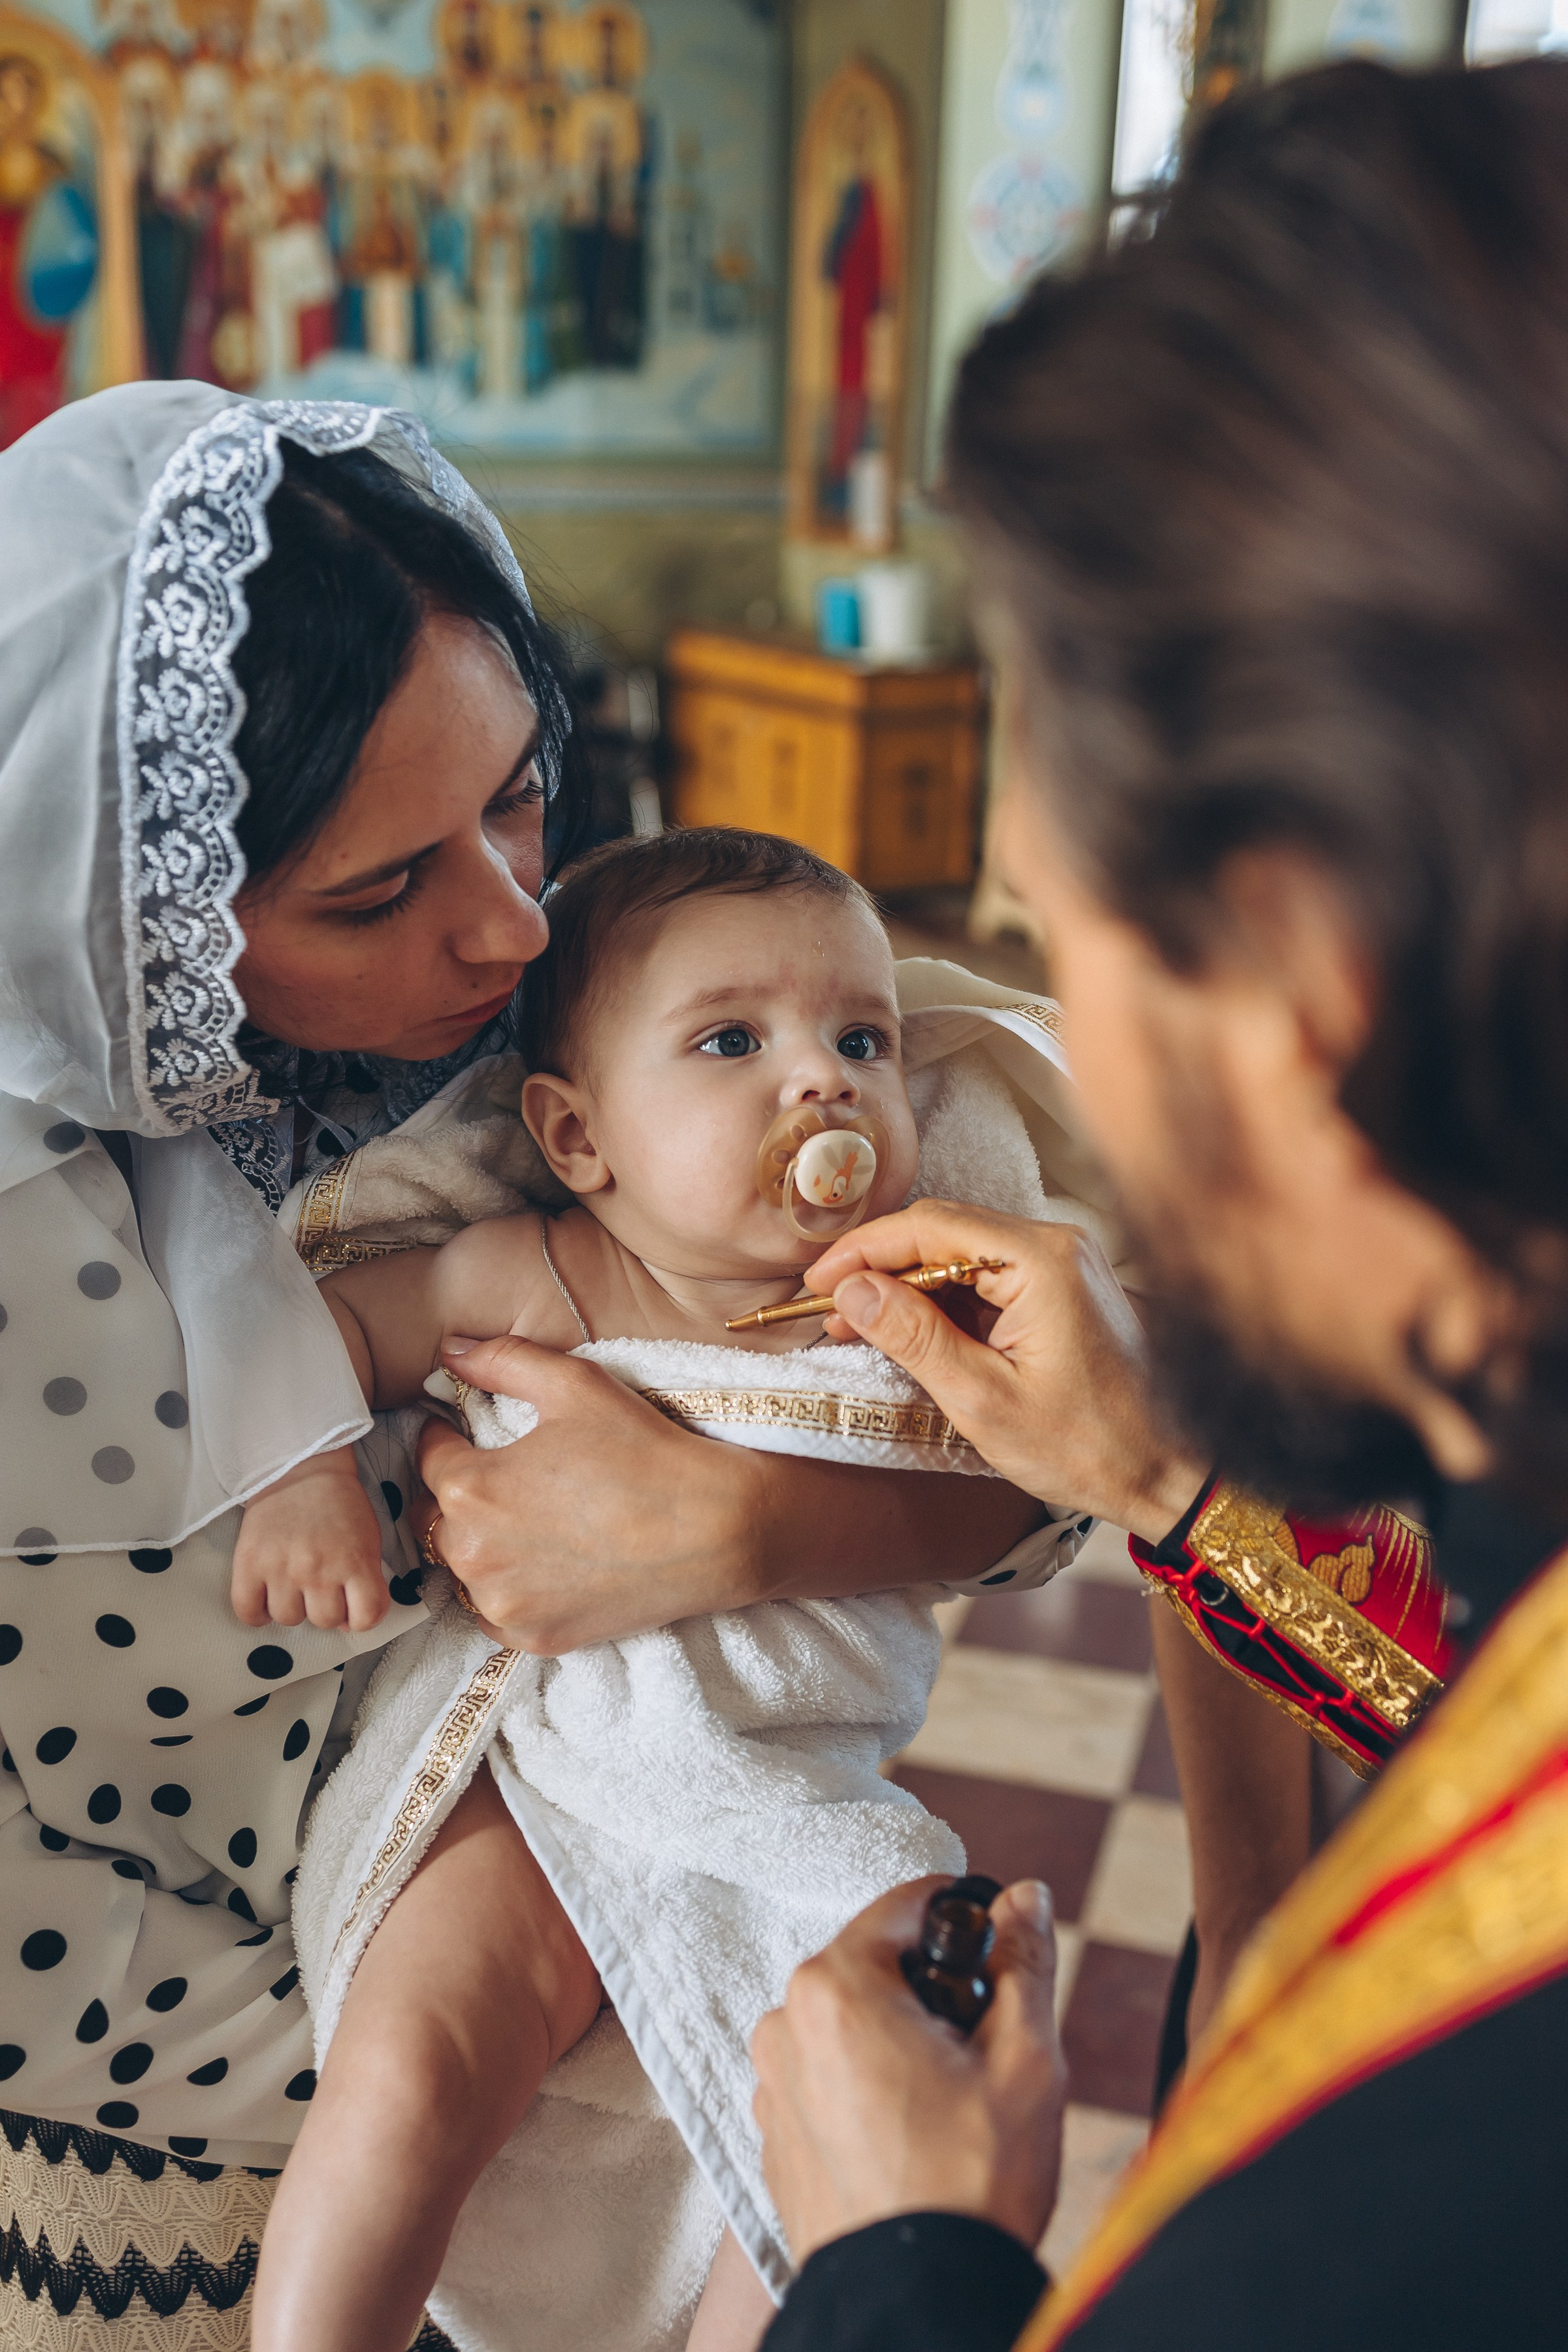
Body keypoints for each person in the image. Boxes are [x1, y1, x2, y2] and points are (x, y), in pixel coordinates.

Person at [0, 383, 1048, 2347]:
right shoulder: (50, 1275)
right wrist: (424, 2042)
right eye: (381, 889)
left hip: (709, 1798)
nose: (506, 921)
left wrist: (751, 1518)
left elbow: (1079, 1475)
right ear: (129, 930)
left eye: (516, 796)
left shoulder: (582, 1017)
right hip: (189, 2100)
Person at [747, 55, 1568, 2350]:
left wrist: (901, 2268)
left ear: (1296, 982)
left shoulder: (1398, 2205)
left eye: (1063, 941)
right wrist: (1161, 1477)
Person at [249, 826, 1096, 2352]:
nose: (822, 1080)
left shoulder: (907, 1307)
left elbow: (1056, 1477)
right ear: (581, 1139)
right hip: (551, 1777)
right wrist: (309, 1478)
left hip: (788, 1793)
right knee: (413, 2069)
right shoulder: (537, 1272)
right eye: (731, 1040)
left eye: (862, 1038)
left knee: (899, 2036)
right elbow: (309, 1339)